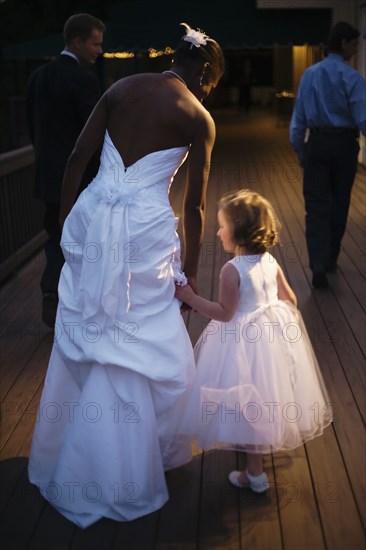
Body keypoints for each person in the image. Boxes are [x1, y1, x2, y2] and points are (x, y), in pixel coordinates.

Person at [28, 23, 225, 528]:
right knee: (136, 333)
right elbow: (197, 207)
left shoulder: (120, 88)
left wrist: (69, 220)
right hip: (145, 231)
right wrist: (190, 271)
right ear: (203, 70)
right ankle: (125, 461)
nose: (210, 89)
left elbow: (77, 158)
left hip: (95, 214)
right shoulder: (198, 117)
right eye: (212, 80)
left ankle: (79, 450)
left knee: (91, 328)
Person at [175, 189, 333, 492]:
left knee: (246, 400)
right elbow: (291, 299)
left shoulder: (231, 270)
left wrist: (191, 298)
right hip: (270, 339)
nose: (218, 231)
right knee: (264, 397)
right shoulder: (269, 261)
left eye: (222, 226)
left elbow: (224, 313)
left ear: (238, 231)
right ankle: (253, 451)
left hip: (240, 342)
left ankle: (254, 473)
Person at [26, 13, 105, 327]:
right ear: (77, 41)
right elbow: (92, 137)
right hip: (80, 181)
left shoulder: (38, 77)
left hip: (47, 178)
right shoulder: (84, 80)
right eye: (96, 44)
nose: (99, 51)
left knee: (55, 238)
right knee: (85, 243)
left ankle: (51, 294)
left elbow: (33, 128)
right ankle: (78, 307)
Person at [289, 21, 366, 289]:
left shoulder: (310, 75)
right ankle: (330, 258)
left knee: (316, 205)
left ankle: (318, 263)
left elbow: (298, 119)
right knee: (340, 203)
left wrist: (301, 149)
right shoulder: (353, 78)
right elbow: (363, 119)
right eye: (355, 44)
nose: (356, 50)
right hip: (345, 145)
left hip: (318, 143)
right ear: (343, 43)